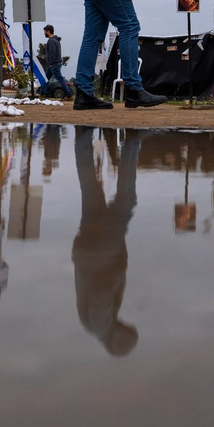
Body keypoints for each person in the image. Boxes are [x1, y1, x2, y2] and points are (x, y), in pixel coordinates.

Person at [72, 126, 142, 356]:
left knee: (127, 199)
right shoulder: (94, 327)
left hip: (103, 250)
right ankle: (82, 137)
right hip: (87, 250)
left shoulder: (102, 325)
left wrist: (117, 269)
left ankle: (133, 143)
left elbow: (101, 292)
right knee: (89, 187)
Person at [43, 24, 67, 91]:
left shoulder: (51, 41)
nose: (44, 33)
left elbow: (52, 53)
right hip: (55, 63)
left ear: (48, 31)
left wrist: (50, 63)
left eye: (45, 31)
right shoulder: (56, 40)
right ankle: (42, 93)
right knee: (46, 79)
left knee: (60, 79)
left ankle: (68, 94)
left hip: (53, 64)